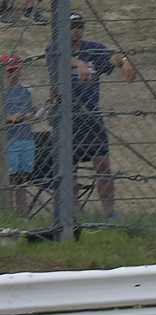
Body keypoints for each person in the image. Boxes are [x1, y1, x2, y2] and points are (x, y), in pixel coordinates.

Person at [45, 12, 131, 217]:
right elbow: (58, 56)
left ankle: (110, 215)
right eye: (72, 26)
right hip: (66, 117)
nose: (76, 30)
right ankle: (73, 217)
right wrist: (77, 63)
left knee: (103, 164)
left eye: (80, 26)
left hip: (92, 116)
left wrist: (125, 61)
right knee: (68, 170)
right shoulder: (53, 48)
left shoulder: (93, 49)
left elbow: (112, 57)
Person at [3, 56, 32, 218]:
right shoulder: (3, 93)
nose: (12, 74)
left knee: (22, 180)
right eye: (9, 71)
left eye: (15, 70)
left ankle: (22, 215)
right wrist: (11, 118)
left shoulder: (26, 92)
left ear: (20, 70)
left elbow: (31, 113)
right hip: (10, 141)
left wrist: (24, 115)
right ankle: (9, 214)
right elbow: (6, 117)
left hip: (26, 138)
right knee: (11, 179)